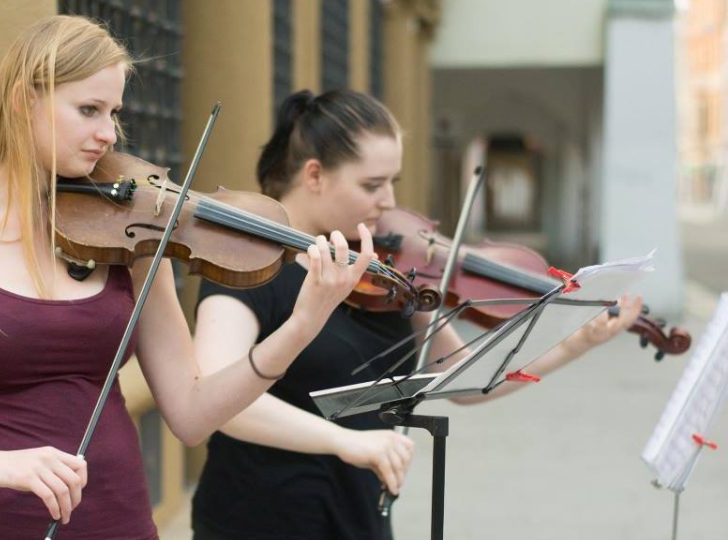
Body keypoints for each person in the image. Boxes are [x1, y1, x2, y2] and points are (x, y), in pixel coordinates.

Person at [0, 16, 376, 540]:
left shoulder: (123, 242)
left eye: (115, 113)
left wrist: (303, 324)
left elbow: (192, 414)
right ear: (21, 102)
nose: (109, 134)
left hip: (119, 521)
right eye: (89, 110)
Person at [189, 89, 644, 540]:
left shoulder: (384, 273)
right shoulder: (246, 263)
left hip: (361, 514)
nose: (388, 201)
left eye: (393, 182)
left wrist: (575, 342)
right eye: (372, 185)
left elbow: (467, 378)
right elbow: (218, 400)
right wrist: (344, 440)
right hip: (257, 519)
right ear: (314, 175)